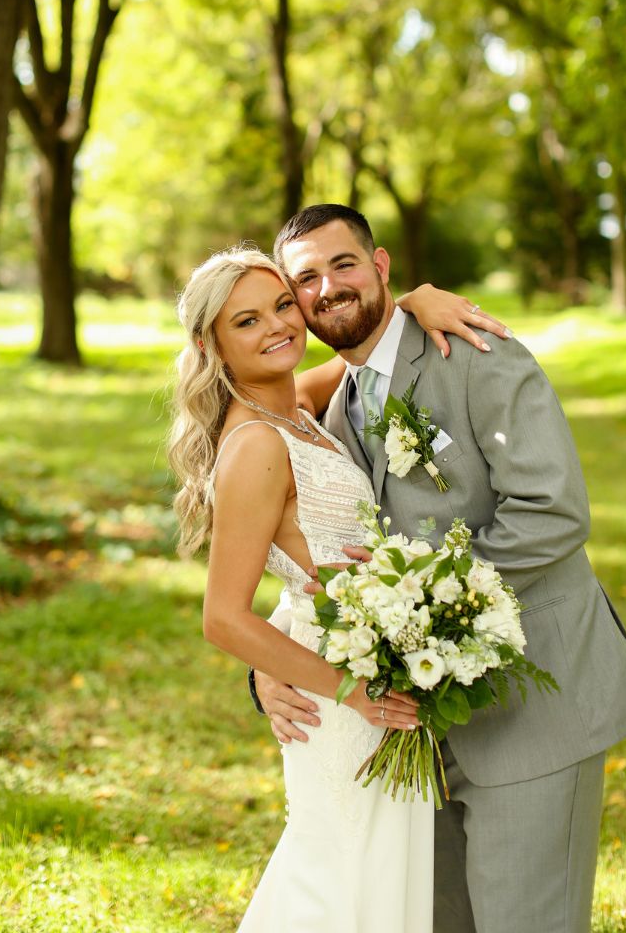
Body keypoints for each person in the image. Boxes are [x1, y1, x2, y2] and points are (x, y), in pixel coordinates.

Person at [252, 204, 626, 933]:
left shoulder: (476, 354)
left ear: (381, 266)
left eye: (344, 264)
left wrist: (426, 616)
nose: (327, 288)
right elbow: (317, 555)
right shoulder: (329, 407)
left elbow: (552, 510)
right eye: (304, 279)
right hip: (417, 734)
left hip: (536, 711)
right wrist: (270, 660)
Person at [168, 245, 510, 932]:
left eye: (282, 306)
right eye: (246, 322)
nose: (276, 328)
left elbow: (367, 352)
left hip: (367, 665)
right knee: (341, 879)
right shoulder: (258, 444)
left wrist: (411, 300)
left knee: (378, 877)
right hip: (341, 694)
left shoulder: (292, 404)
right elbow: (223, 618)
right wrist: (352, 688)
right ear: (213, 346)